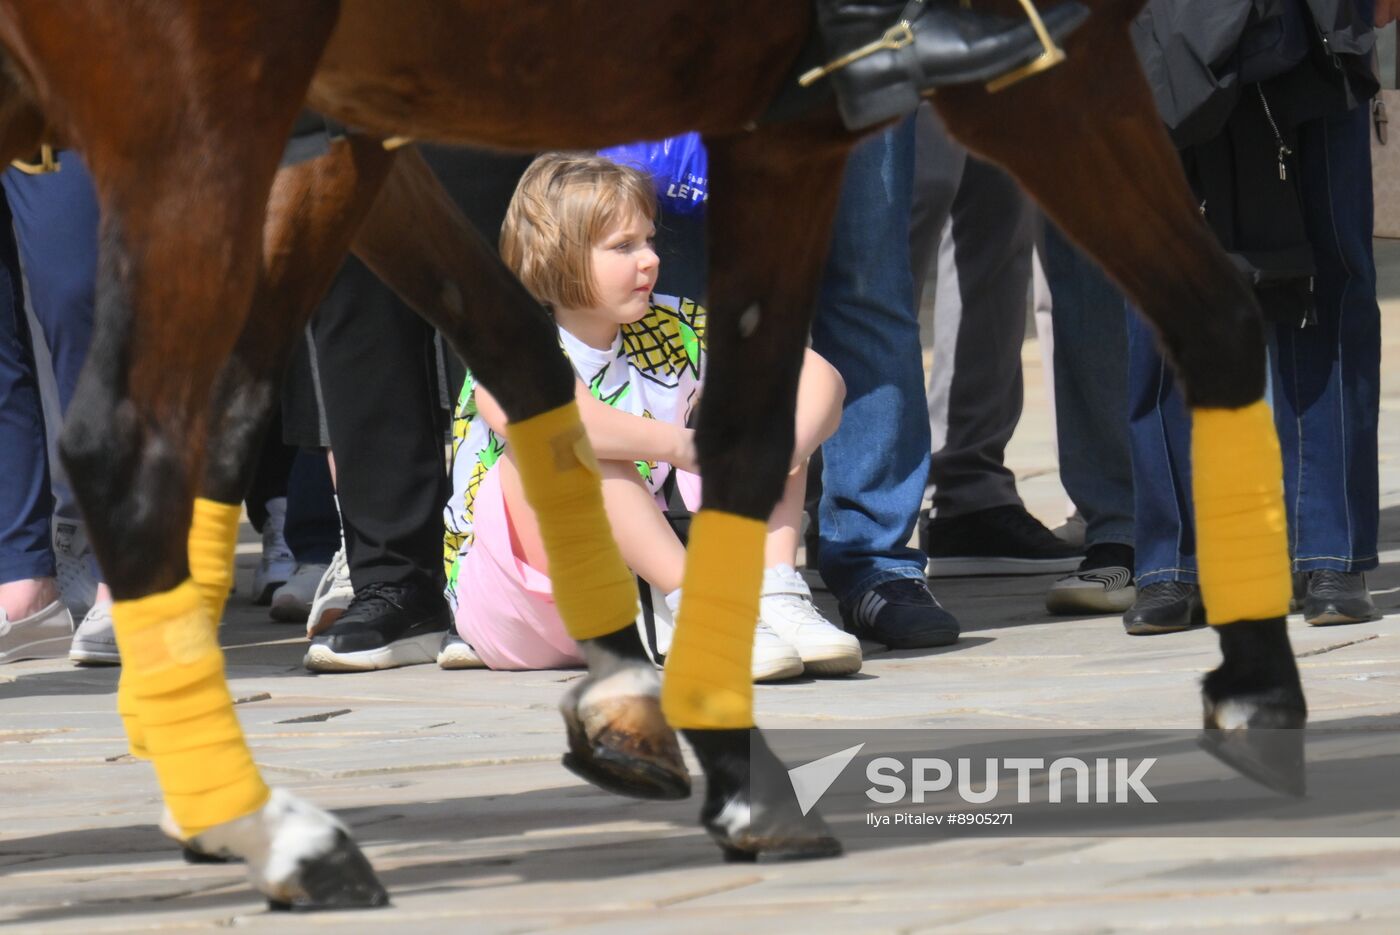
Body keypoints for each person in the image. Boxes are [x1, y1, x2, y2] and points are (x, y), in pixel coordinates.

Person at [442, 153, 858, 679]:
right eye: (623, 247)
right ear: (556, 256)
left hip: (632, 594)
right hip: (518, 607)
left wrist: (777, 453)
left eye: (649, 241)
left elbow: (820, 378)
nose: (651, 259)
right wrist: (690, 448)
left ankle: (770, 591)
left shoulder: (669, 322)